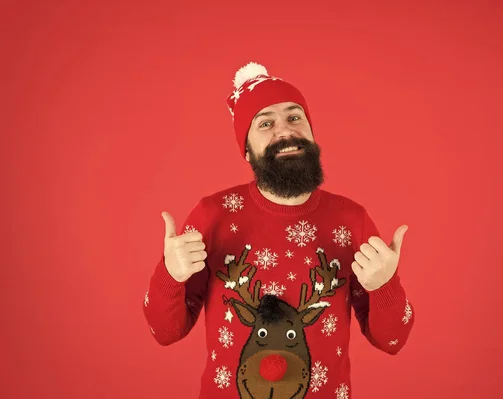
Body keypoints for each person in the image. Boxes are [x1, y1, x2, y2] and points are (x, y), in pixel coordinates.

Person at [142, 61, 415, 399]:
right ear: (246, 150)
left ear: (312, 133)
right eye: (265, 123)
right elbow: (164, 333)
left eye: (294, 117)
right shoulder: (213, 215)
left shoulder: (351, 219)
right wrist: (170, 275)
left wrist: (385, 287)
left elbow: (392, 340)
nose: (284, 131)